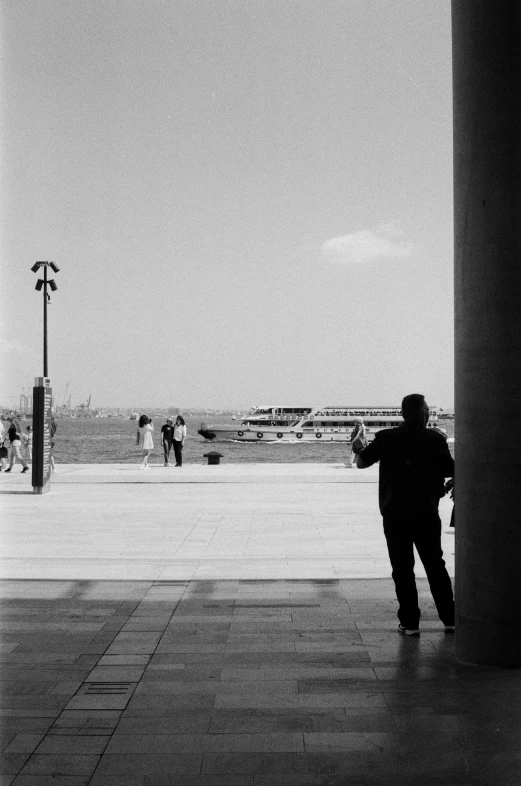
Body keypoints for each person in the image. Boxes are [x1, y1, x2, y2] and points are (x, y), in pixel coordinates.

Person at [356, 394, 455, 636]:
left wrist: (359, 448)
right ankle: (450, 618)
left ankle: (410, 623)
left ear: (403, 414)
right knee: (435, 565)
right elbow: (450, 469)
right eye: (427, 412)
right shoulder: (435, 439)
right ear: (425, 415)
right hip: (426, 512)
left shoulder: (387, 438)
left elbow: (361, 462)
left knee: (402, 568)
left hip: (395, 513)